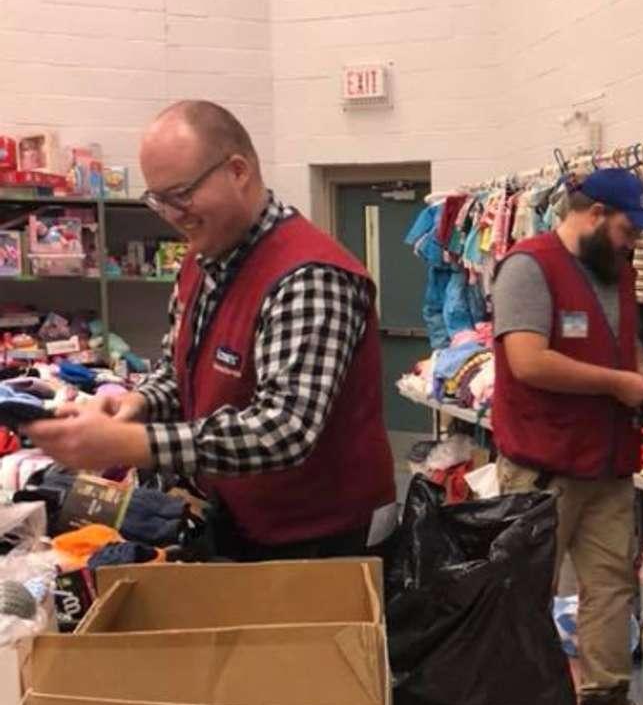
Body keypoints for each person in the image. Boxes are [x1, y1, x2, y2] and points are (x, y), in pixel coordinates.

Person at [25, 100, 396, 561]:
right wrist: (135, 404)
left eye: (180, 194)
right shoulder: (201, 262)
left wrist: (136, 444)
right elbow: (181, 372)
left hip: (325, 535)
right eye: (158, 199)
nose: (171, 214)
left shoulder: (310, 275)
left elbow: (284, 429)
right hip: (245, 517)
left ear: (238, 170)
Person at [492, 168, 643, 705]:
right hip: (542, 470)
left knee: (611, 588)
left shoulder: (613, 270)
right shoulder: (527, 267)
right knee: (527, 593)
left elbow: (625, 346)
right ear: (593, 216)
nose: (633, 242)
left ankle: (605, 704)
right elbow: (528, 361)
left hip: (608, 466)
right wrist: (617, 385)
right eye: (626, 229)